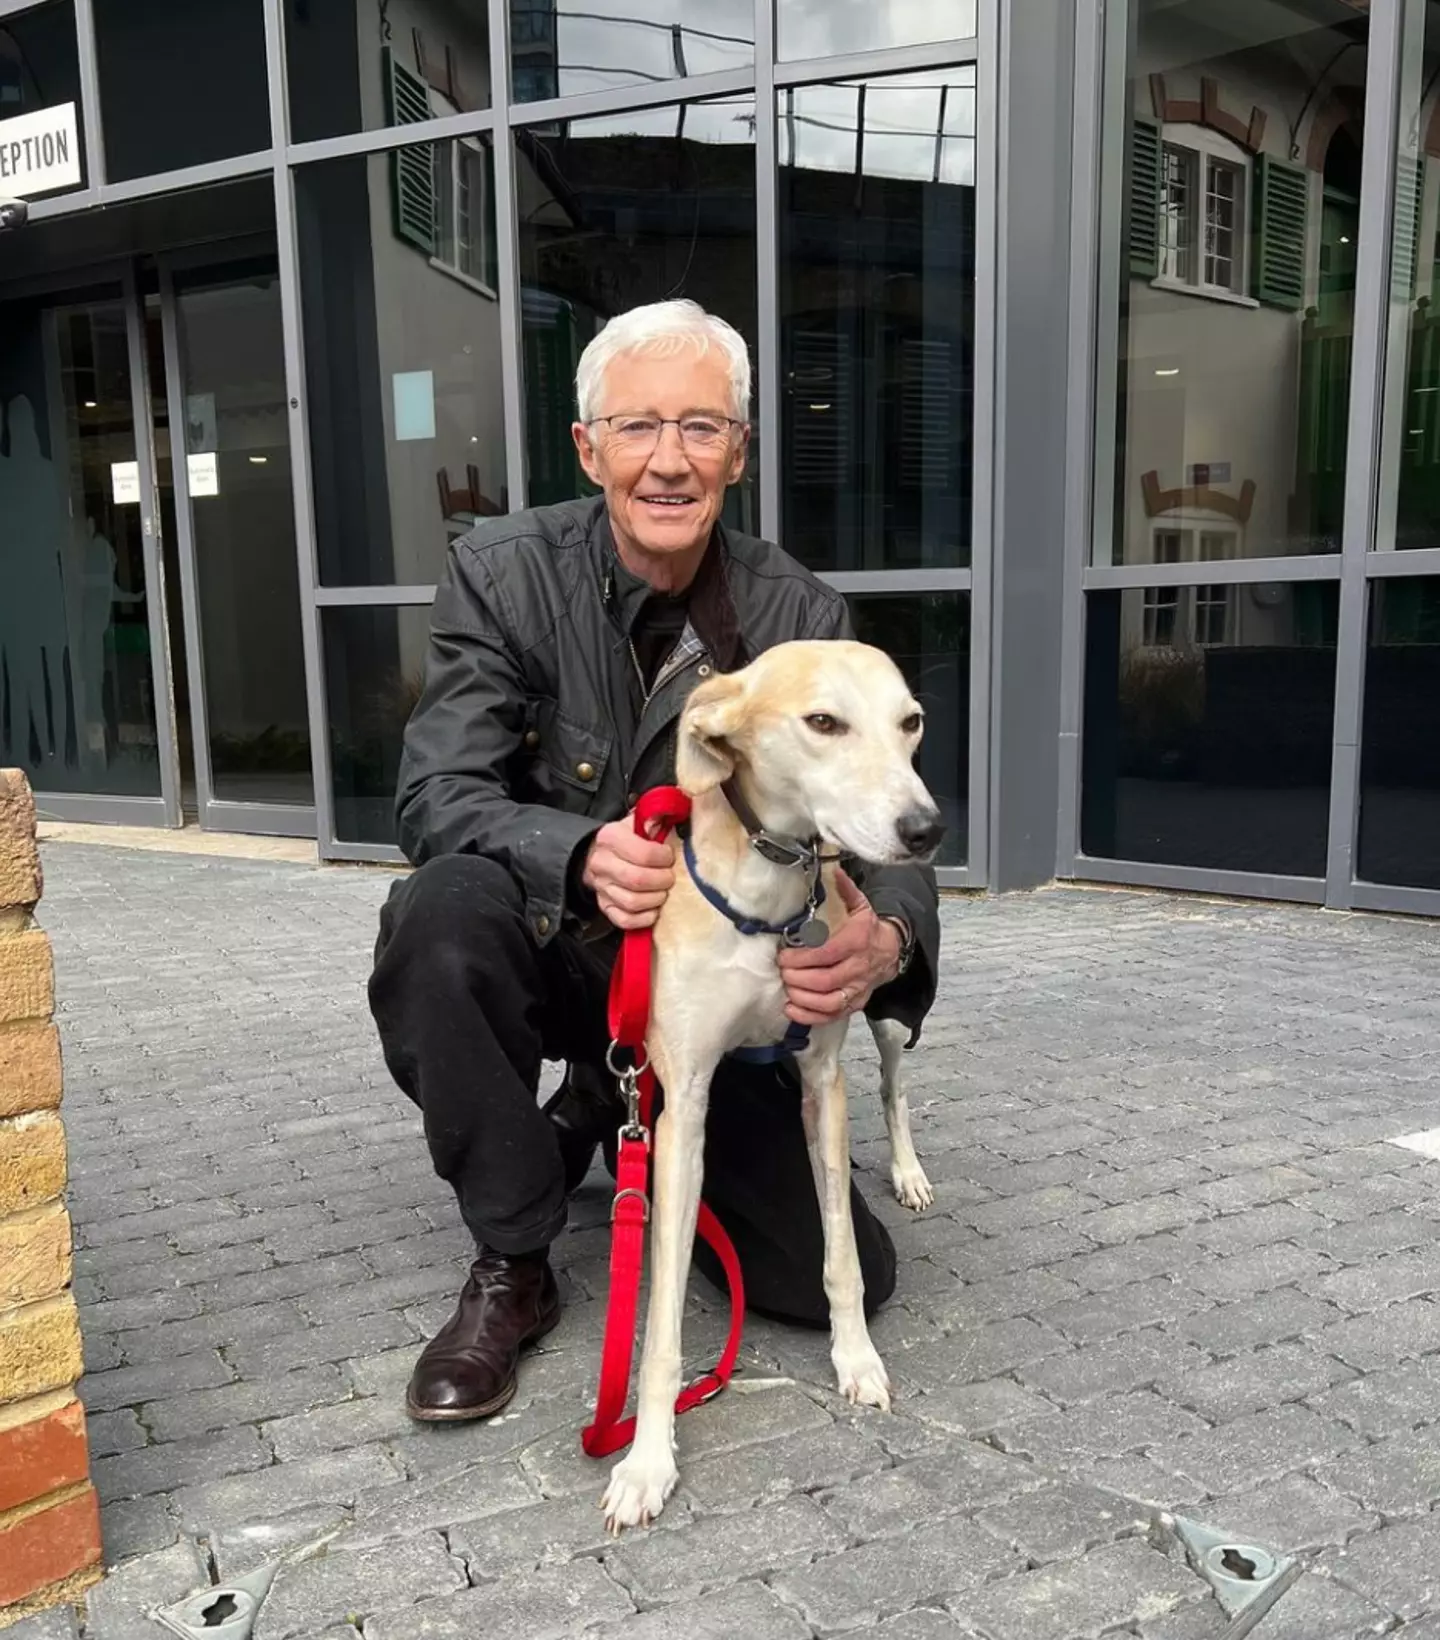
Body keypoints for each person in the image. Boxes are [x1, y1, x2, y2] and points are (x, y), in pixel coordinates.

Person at [369, 299, 940, 1423]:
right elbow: (435, 793)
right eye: (637, 428)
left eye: (701, 427)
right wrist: (577, 850)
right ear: (590, 448)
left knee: (848, 1277)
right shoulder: (501, 572)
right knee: (439, 914)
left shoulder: (799, 610)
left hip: (720, 981)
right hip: (556, 949)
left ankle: (606, 1103)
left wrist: (890, 934)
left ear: (739, 447)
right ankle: (517, 1251)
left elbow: (878, 809)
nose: (669, 460)